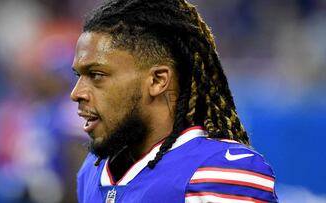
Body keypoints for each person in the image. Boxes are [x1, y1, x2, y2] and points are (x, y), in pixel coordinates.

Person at [70, 0, 278, 202]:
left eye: (96, 74)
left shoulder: (218, 172)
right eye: (79, 75)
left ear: (157, 80)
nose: (76, 93)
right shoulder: (92, 171)